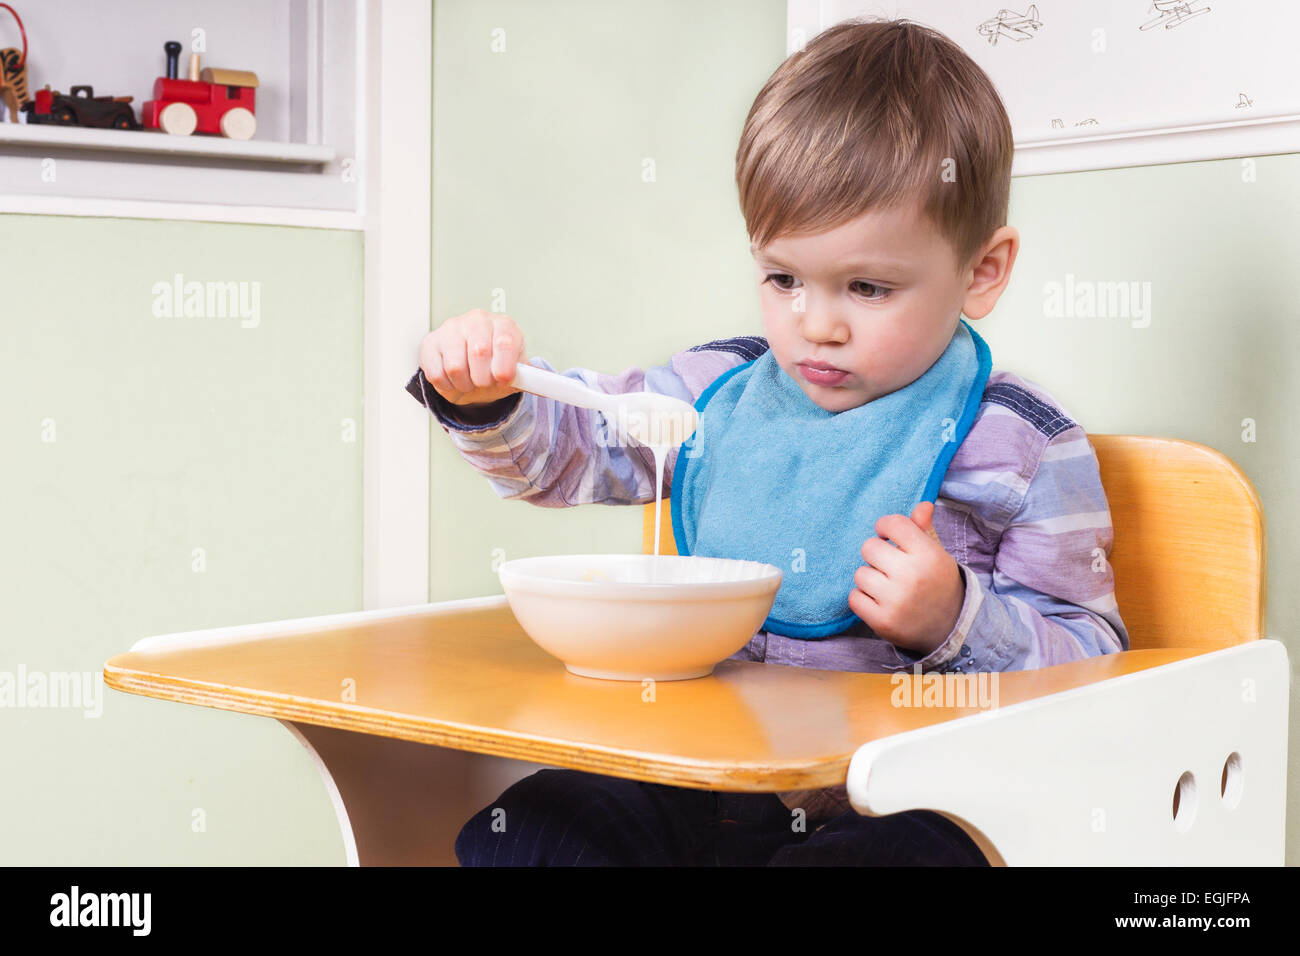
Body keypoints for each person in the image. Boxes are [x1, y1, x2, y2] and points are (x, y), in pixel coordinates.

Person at [406, 17, 1129, 866]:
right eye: (782, 278)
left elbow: (1093, 669)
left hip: (902, 797)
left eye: (866, 286)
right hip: (703, 780)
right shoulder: (715, 393)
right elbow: (581, 446)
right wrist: (487, 398)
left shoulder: (1022, 445)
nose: (814, 324)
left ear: (982, 271)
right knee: (531, 829)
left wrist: (952, 618)